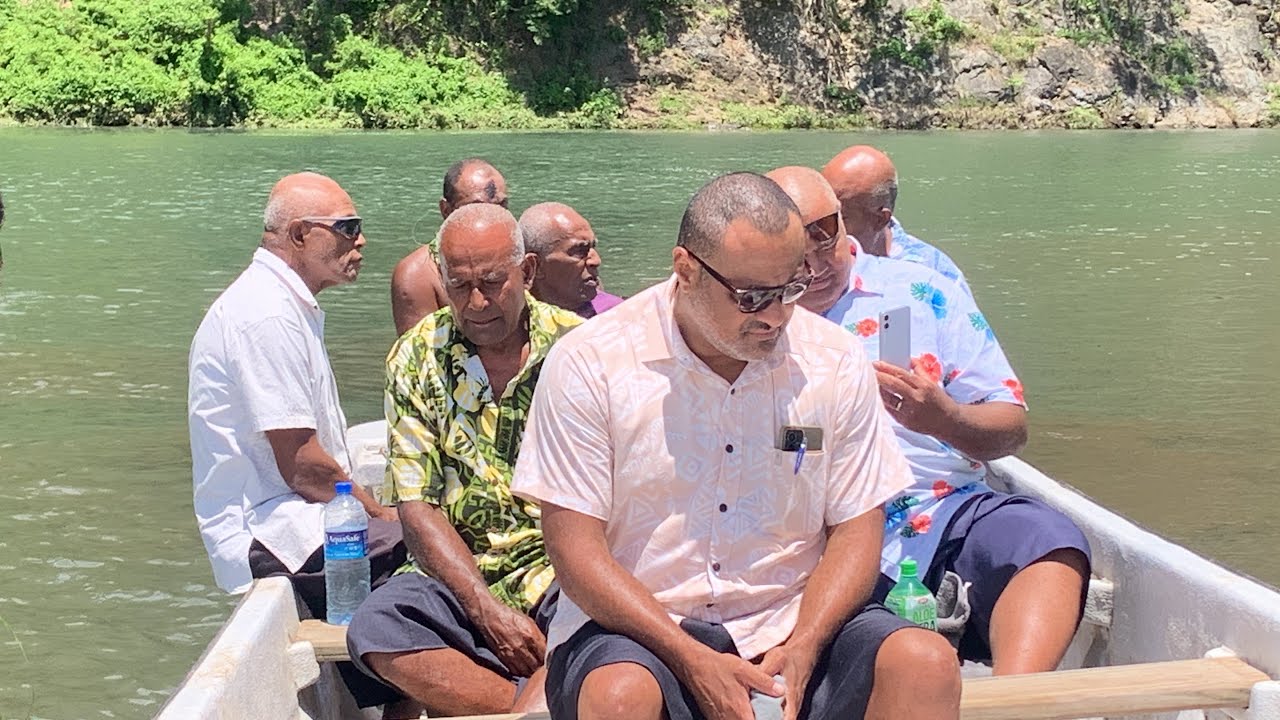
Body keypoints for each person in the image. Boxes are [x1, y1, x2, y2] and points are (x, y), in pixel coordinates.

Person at [511, 172, 962, 720]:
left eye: (790, 289)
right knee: (620, 697)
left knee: (924, 661)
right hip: (641, 628)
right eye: (752, 298)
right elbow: (573, 549)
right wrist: (689, 657)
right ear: (686, 270)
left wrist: (805, 646)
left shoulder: (835, 361)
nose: (775, 316)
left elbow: (856, 526)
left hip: (795, 618)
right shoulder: (590, 363)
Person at [767, 165, 1090, 676]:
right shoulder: (754, 314)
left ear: (844, 219)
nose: (813, 264)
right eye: (792, 254)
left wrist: (944, 418)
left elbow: (1011, 426)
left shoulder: (921, 292)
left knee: (1047, 538)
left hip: (939, 505)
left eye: (822, 236)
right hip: (814, 527)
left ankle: (1014, 703)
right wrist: (820, 434)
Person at [346, 203, 583, 719]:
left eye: (493, 283)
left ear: (529, 273)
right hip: (459, 575)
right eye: (459, 286)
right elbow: (417, 505)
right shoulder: (416, 355)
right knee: (376, 628)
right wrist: (485, 609)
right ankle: (524, 707)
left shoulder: (578, 349)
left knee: (602, 619)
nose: (476, 303)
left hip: (561, 568)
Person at [187, 172, 408, 710]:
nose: (361, 241)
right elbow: (305, 468)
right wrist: (380, 514)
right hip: (271, 531)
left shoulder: (285, 304)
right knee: (431, 551)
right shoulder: (265, 314)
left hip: (300, 519)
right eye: (348, 228)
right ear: (303, 234)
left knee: (431, 553)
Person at [821, 145, 972, 298]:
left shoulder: (934, 275)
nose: (822, 230)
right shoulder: (811, 262)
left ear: (880, 219)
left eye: (839, 218)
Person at [390, 158, 510, 335]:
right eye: (476, 208)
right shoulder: (419, 273)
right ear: (446, 210)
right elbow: (420, 355)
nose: (490, 218)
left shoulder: (519, 258)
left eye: (501, 207)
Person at [518, 202, 623, 318]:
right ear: (535, 266)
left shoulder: (617, 316)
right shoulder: (507, 324)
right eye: (580, 251)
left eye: (593, 247)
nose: (596, 261)